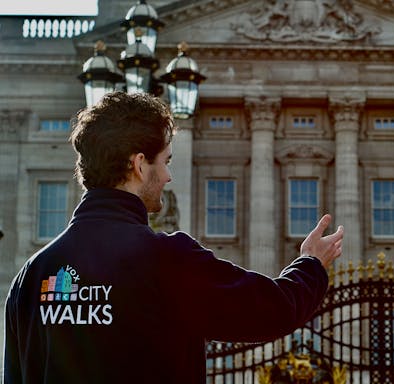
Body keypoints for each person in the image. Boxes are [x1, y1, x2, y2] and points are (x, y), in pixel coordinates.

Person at [3, 92, 344, 383]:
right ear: (139, 165)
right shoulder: (165, 260)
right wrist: (311, 264)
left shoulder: (31, 276)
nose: (168, 176)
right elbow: (272, 309)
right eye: (165, 162)